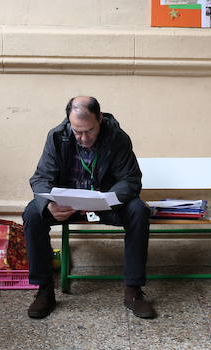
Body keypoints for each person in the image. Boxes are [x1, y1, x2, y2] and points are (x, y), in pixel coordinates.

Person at [22, 96, 155, 319]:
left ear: (99, 119)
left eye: (89, 131)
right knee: (33, 214)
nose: (83, 138)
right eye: (77, 131)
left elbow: (131, 180)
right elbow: (41, 177)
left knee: (139, 211)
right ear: (68, 122)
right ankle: (44, 290)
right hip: (68, 205)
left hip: (107, 204)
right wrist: (49, 204)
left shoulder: (117, 138)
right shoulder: (56, 136)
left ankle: (133, 291)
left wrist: (106, 199)